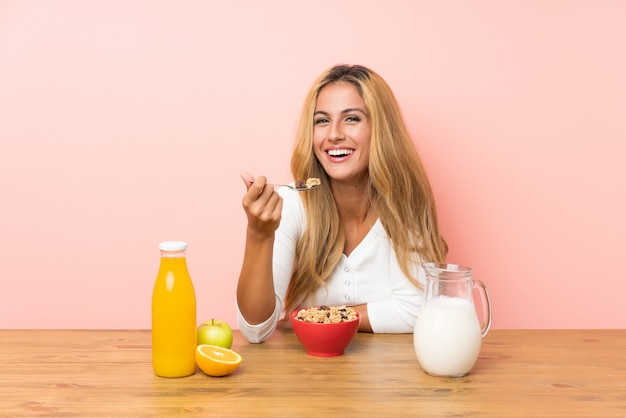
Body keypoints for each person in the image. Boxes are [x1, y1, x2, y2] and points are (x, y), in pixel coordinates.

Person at [237, 64, 447, 343]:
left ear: (380, 129)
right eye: (322, 121)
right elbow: (256, 329)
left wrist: (318, 318)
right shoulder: (292, 203)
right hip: (308, 377)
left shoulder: (404, 202)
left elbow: (418, 308)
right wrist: (259, 235)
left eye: (351, 119)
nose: (334, 134)